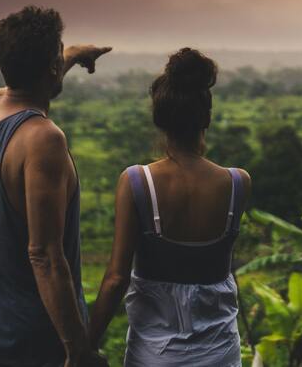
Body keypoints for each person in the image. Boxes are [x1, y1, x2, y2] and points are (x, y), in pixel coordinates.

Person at [0, 5, 111, 367]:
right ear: (51, 68)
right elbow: (44, 255)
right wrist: (78, 351)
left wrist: (68, 56)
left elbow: (21, 85)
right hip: (31, 348)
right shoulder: (42, 139)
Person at [88, 48, 250, 366]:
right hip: (221, 354)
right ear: (207, 117)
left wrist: (83, 346)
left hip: (153, 355)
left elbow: (116, 278)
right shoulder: (237, 184)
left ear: (159, 119)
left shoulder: (137, 182)